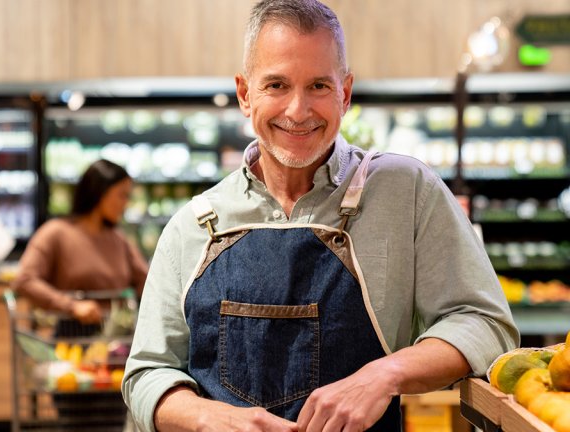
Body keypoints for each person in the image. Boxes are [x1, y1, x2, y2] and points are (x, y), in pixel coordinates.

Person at [122, 1, 519, 431]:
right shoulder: (193, 224)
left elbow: (484, 322)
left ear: (344, 93)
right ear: (244, 94)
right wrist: (204, 416)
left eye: (318, 86)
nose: (298, 110)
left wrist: (382, 376)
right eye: (276, 85)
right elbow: (147, 373)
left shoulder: (407, 192)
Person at [13, 158, 148, 328]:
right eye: (122, 195)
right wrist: (71, 306)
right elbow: (24, 280)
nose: (126, 204)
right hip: (70, 338)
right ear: (100, 192)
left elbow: (146, 281)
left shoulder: (119, 239)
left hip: (116, 338)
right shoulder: (55, 232)